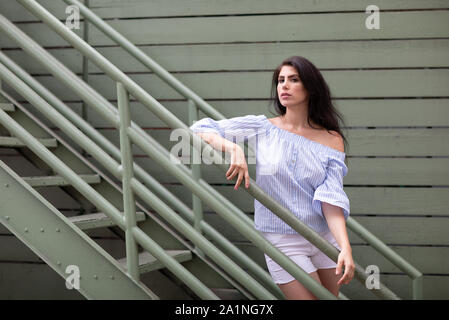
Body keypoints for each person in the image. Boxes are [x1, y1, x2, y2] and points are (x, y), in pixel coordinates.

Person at [189, 56, 355, 299]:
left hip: (324, 239)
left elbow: (331, 199)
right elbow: (200, 128)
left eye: (293, 80)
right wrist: (233, 149)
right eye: (280, 80)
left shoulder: (332, 139)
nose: (284, 86)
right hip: (282, 238)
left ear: (310, 87)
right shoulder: (262, 128)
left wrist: (346, 248)